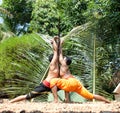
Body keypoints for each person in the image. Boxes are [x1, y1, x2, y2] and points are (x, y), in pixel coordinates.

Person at [50, 39, 110, 103]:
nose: (62, 58)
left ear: (65, 61)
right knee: (90, 96)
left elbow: (59, 53)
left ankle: (56, 100)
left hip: (71, 83)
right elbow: (60, 54)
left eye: (64, 58)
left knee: (53, 81)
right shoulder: (65, 66)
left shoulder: (64, 64)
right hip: (75, 83)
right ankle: (107, 100)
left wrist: (59, 43)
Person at [10, 36, 59, 103]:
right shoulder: (53, 64)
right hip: (45, 85)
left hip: (52, 85)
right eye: (56, 57)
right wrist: (53, 41)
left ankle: (60, 99)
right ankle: (11, 102)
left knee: (67, 84)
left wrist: (59, 43)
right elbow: (55, 51)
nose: (57, 57)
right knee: (28, 96)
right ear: (53, 59)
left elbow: (57, 52)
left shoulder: (57, 65)